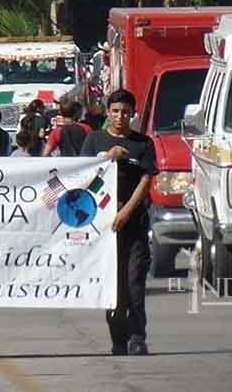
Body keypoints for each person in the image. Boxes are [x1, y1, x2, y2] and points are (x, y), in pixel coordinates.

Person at [79, 90, 158, 356]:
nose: (120, 117)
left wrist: (126, 212)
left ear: (132, 114)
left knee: (134, 282)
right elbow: (82, 174)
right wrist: (107, 157)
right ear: (108, 112)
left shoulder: (143, 144)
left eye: (125, 112)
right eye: (115, 111)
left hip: (133, 224)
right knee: (114, 286)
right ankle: (118, 338)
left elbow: (146, 181)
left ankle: (138, 336)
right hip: (104, 228)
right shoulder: (94, 140)